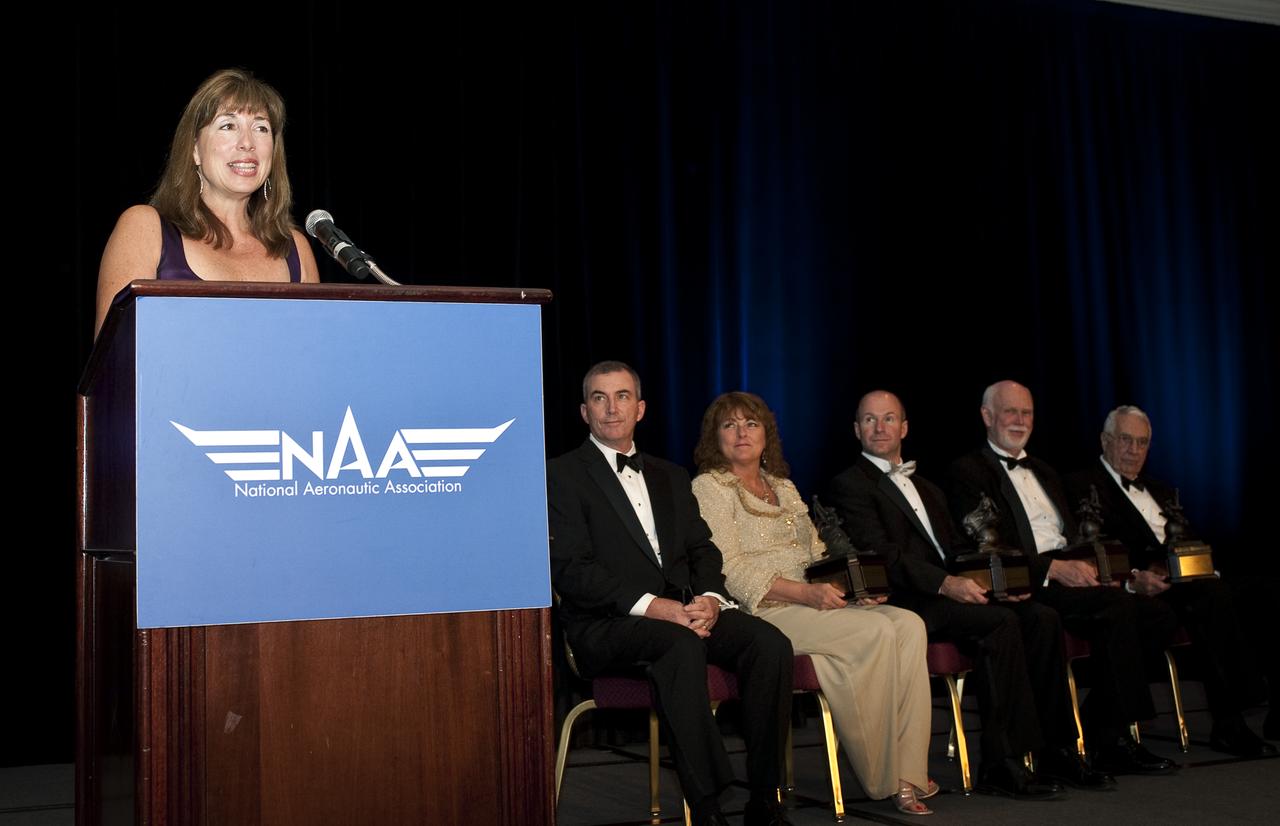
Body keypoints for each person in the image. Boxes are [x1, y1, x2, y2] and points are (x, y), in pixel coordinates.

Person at [826, 390, 1110, 798]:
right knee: (999, 623)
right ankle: (1002, 763)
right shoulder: (848, 485)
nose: (880, 427)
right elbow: (883, 556)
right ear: (856, 430)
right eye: (869, 420)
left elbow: (961, 549)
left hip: (950, 591)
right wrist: (945, 584)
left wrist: (999, 584)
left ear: (904, 427)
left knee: (1040, 616)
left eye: (889, 419)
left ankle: (1057, 750)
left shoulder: (926, 485)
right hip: (910, 600)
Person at [549, 363, 794, 826]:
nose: (611, 407)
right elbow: (572, 571)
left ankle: (765, 797)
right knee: (678, 645)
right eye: (599, 398)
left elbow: (703, 549)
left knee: (770, 644)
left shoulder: (670, 475)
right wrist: (655, 607)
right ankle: (707, 807)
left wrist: (710, 599)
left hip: (683, 610)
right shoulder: (561, 475)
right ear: (584, 412)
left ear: (640, 408)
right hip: (607, 623)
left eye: (622, 396)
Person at [691, 392, 936, 816]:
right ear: (716, 438)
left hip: (814, 603)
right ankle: (887, 776)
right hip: (764, 613)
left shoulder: (784, 487)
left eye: (751, 423)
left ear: (767, 434)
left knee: (909, 623)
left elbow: (818, 553)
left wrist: (853, 589)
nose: (742, 433)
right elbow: (728, 569)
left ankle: (910, 767)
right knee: (876, 630)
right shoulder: (710, 487)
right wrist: (807, 594)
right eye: (729, 425)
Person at [947, 380, 1180, 776]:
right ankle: (1097, 742)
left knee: (1154, 612)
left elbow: (1077, 537)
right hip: (1029, 581)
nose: (1020, 421)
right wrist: (1052, 569)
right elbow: (987, 546)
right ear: (987, 417)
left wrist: (1115, 575)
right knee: (1103, 610)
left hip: (1070, 573)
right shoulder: (967, 472)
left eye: (1027, 413)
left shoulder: (1046, 471)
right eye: (1010, 412)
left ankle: (1102, 725)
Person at [1065, 405, 1276, 757]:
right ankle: (1230, 721)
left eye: (1142, 442)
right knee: (1211, 597)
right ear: (1105, 440)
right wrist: (1134, 578)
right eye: (1126, 440)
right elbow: (1091, 547)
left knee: (1266, 591)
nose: (1134, 450)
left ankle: (1269, 709)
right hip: (1142, 587)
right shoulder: (1081, 486)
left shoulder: (1162, 491)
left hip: (1187, 581)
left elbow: (1190, 540)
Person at [95, 68, 319, 335]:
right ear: (194, 150)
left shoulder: (296, 249)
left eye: (261, 128)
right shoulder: (145, 228)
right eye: (228, 126)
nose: (247, 143)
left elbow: (313, 359)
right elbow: (116, 360)